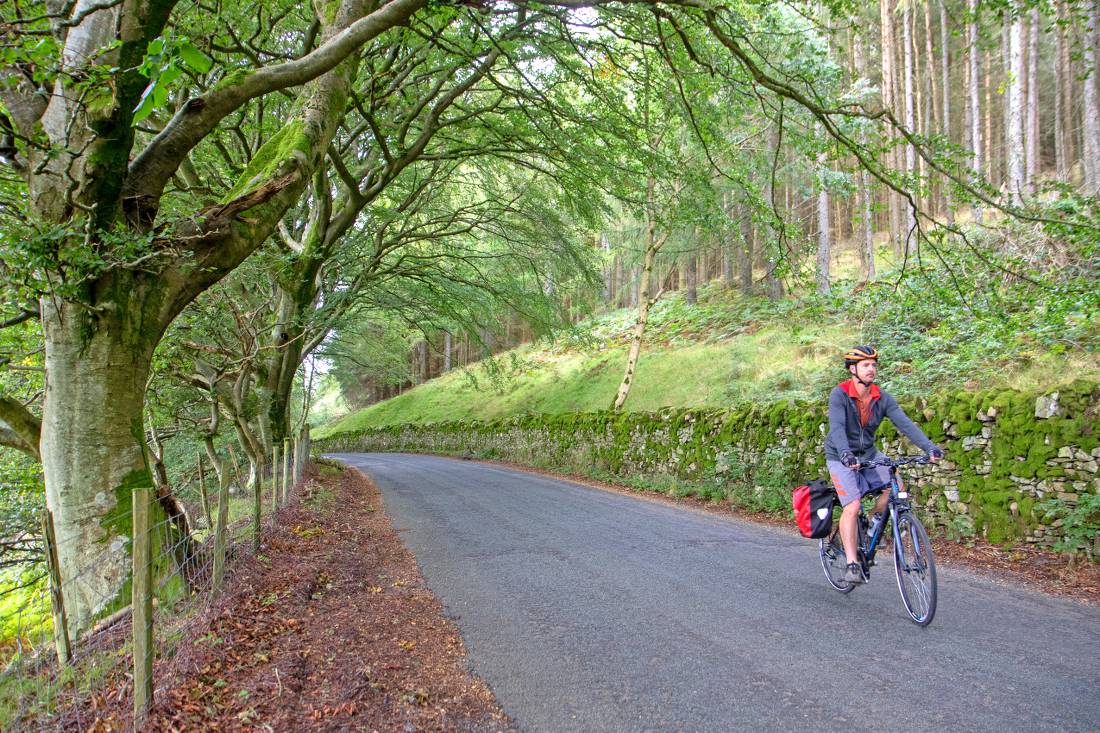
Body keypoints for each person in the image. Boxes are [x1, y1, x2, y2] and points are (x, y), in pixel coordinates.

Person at [825, 345, 943, 584]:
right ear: (852, 369)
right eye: (866, 365)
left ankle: (869, 531)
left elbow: (906, 424)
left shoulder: (882, 398)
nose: (872, 369)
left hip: (868, 453)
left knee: (895, 485)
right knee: (853, 505)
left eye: (874, 365)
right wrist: (846, 454)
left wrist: (929, 447)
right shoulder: (840, 395)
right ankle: (851, 564)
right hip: (840, 455)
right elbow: (836, 429)